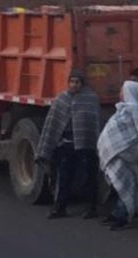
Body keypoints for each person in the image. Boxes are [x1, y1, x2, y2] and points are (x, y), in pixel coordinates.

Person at [36, 69, 101, 219]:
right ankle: (59, 208)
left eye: (77, 82)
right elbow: (52, 124)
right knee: (64, 177)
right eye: (71, 82)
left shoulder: (90, 99)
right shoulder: (62, 99)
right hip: (66, 144)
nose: (74, 85)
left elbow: (94, 123)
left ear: (82, 84)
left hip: (86, 145)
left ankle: (91, 207)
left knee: (88, 176)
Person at [96, 79, 138, 230]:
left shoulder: (132, 110)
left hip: (123, 151)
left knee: (125, 184)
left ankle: (121, 216)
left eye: (123, 91)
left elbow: (136, 132)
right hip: (121, 152)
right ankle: (117, 214)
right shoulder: (129, 109)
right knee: (125, 183)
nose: (120, 94)